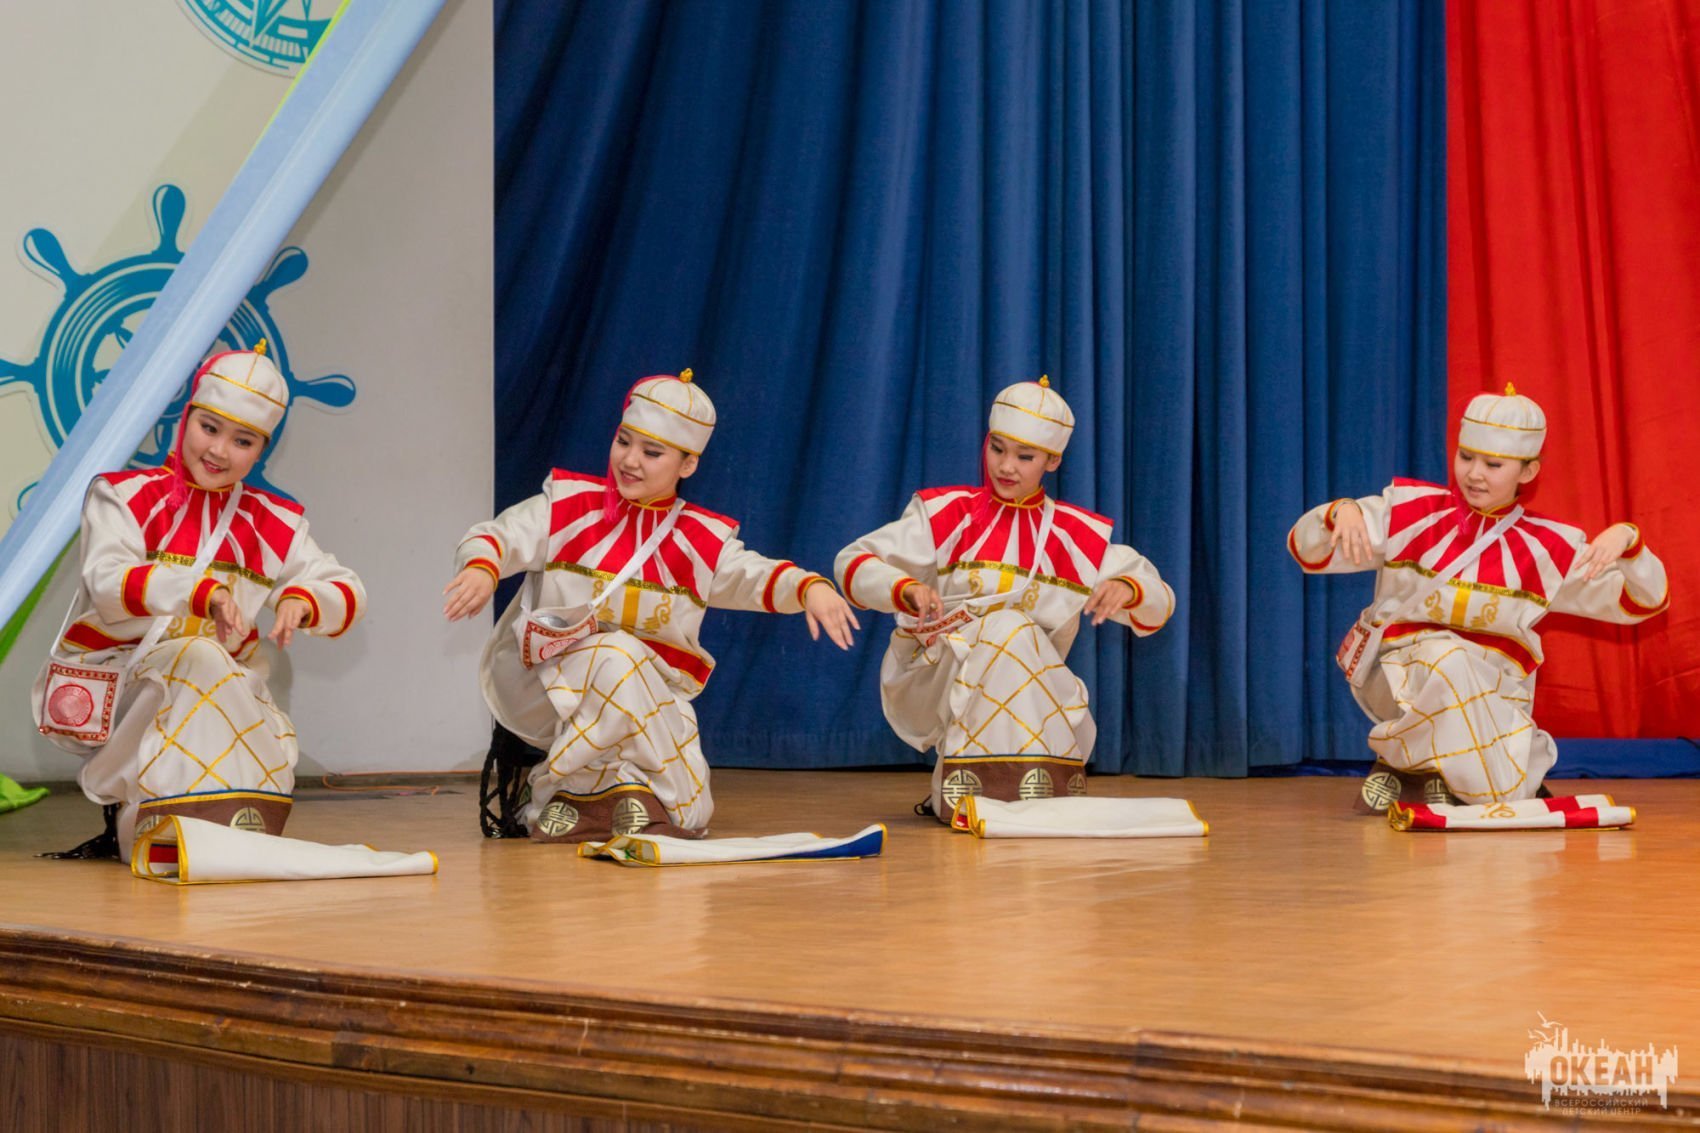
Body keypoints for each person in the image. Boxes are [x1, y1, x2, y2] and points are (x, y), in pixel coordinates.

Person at [444, 370, 859, 842]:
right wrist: (482, 568)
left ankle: (616, 798)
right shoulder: (568, 505)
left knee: (690, 803)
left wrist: (809, 587)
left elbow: (754, 575)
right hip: (542, 685)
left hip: (642, 695)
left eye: (652, 452)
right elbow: (499, 534)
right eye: (624, 442)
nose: (630, 460)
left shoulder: (700, 539)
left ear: (688, 465)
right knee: (618, 656)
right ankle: (560, 792)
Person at [33, 344, 365, 860]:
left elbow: (344, 587)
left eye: (243, 440)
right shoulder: (122, 496)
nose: (220, 451)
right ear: (186, 416)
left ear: (262, 449)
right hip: (123, 683)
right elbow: (106, 580)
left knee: (211, 667)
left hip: (219, 686)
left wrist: (303, 600)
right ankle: (174, 827)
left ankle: (210, 825)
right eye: (209, 428)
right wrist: (199, 593)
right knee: (200, 658)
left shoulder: (274, 521)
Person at [1288, 384, 1669, 811]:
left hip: (1493, 692)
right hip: (1398, 677)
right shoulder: (1411, 512)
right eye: (1466, 457)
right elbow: (1308, 551)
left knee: (1465, 678)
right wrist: (1340, 512)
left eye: (1493, 464)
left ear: (1528, 471)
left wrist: (1629, 542)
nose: (1474, 473)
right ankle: (1443, 770)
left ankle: (1414, 767)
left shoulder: (1550, 549)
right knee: (1450, 658)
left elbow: (1644, 602)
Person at [833, 377, 1173, 817]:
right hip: (945, 677)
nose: (1006, 466)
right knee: (1007, 626)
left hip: (1034, 692)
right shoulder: (946, 513)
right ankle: (973, 787)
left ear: (1052, 461)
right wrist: (905, 588)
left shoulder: (1075, 536)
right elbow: (853, 561)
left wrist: (1128, 588)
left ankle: (1024, 789)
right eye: (997, 449)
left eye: (1024, 457)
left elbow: (1159, 602)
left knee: (1013, 630)